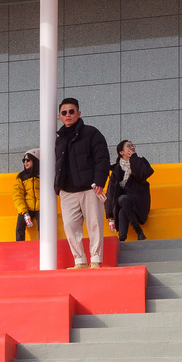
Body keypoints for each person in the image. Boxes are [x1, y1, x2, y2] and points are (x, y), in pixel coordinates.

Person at [53, 98, 109, 267]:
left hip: (90, 188)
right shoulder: (59, 139)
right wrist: (58, 187)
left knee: (95, 225)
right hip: (67, 191)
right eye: (64, 113)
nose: (68, 115)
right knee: (70, 227)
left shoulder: (92, 133)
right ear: (59, 116)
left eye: (71, 111)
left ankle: (96, 260)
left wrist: (99, 180)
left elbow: (102, 158)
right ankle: (80, 261)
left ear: (78, 113)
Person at [104, 139, 154, 241]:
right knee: (123, 200)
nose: (131, 147)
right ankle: (136, 232)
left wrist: (134, 158)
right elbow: (111, 192)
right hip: (125, 201)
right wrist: (110, 215)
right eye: (128, 146)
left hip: (139, 201)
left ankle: (124, 238)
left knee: (123, 209)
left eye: (132, 146)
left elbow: (142, 175)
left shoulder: (140, 162)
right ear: (121, 152)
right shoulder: (116, 170)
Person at [12, 149, 41, 241]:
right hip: (27, 208)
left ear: (35, 160)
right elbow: (17, 195)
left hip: (40, 208)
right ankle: (19, 248)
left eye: (28, 160)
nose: (25, 162)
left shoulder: (42, 175)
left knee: (44, 226)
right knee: (19, 227)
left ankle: (44, 246)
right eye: (24, 160)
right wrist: (24, 212)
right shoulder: (21, 177)